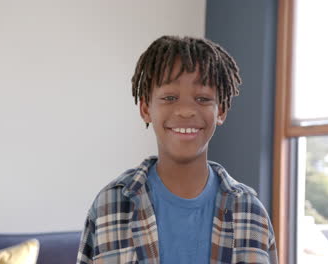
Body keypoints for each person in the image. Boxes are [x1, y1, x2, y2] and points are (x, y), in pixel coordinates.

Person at [77, 36, 278, 264]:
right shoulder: (109, 205)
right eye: (169, 98)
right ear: (145, 108)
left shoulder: (251, 212)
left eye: (202, 99)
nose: (185, 111)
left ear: (220, 111)